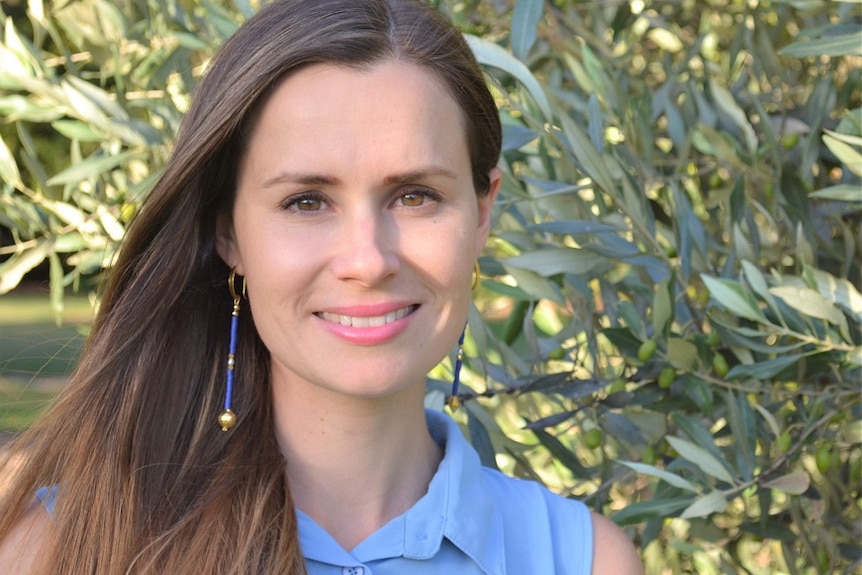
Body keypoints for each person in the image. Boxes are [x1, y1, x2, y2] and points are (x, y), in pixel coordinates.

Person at [0, 0, 644, 573]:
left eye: (415, 196)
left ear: (482, 212)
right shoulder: (63, 546)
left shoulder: (582, 560)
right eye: (307, 202)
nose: (367, 260)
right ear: (228, 231)